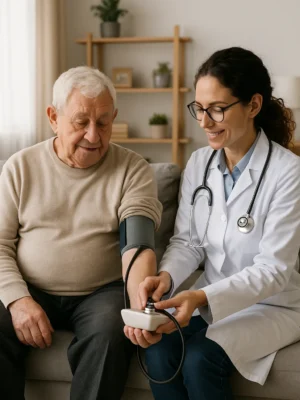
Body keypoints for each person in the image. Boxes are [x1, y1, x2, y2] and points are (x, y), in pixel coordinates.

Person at [124, 47, 300, 400]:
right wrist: (167, 278)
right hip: (211, 295)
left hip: (273, 304)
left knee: (200, 360)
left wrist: (201, 295)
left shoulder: (288, 172)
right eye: (199, 109)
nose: (204, 122)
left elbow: (275, 269)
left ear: (253, 105)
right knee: (158, 352)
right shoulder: (200, 162)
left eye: (217, 109)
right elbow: (188, 242)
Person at [0, 66, 162, 400]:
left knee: (108, 332)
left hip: (99, 293)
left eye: (104, 122)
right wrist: (18, 300)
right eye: (80, 122)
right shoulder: (20, 167)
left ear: (114, 117)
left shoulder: (133, 170)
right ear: (53, 117)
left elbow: (137, 243)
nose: (93, 135)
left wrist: (138, 302)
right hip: (31, 287)